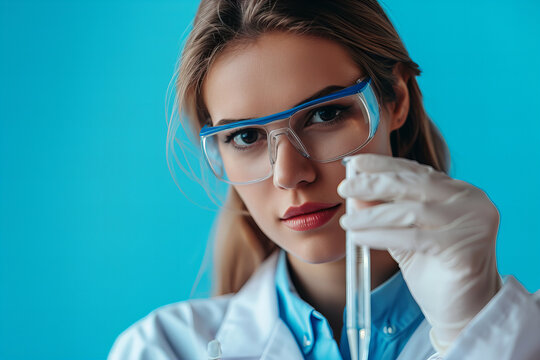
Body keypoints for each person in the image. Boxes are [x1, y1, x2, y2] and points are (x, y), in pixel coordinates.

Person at [108, 1, 540, 359]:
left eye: (325, 114)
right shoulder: (161, 348)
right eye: (245, 136)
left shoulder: (524, 339)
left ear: (396, 100)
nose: (290, 174)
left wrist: (473, 332)